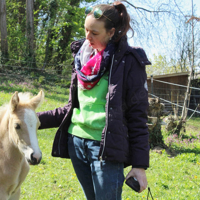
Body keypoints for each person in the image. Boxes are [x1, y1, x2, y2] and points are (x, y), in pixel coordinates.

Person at [37, 2, 151, 200]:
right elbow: (72, 108)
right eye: (85, 30)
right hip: (76, 143)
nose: (87, 37)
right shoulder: (82, 58)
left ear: (111, 32)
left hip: (105, 149)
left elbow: (137, 116)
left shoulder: (129, 61)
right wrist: (33, 119)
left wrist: (139, 166)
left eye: (94, 33)